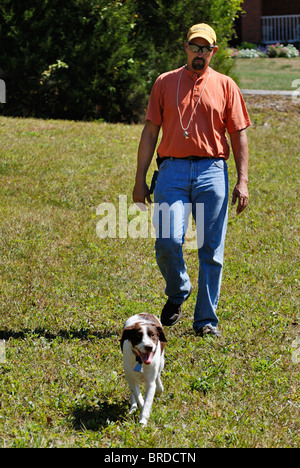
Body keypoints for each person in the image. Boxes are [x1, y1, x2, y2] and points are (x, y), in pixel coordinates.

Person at [132, 23, 251, 337]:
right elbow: (149, 133)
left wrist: (243, 180)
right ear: (185, 47)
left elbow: (239, 135)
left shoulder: (226, 86)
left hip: (213, 171)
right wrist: (139, 179)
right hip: (171, 171)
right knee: (167, 241)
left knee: (211, 249)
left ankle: (206, 322)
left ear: (213, 51)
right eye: (194, 47)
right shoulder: (164, 83)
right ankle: (178, 289)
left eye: (206, 49)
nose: (200, 54)